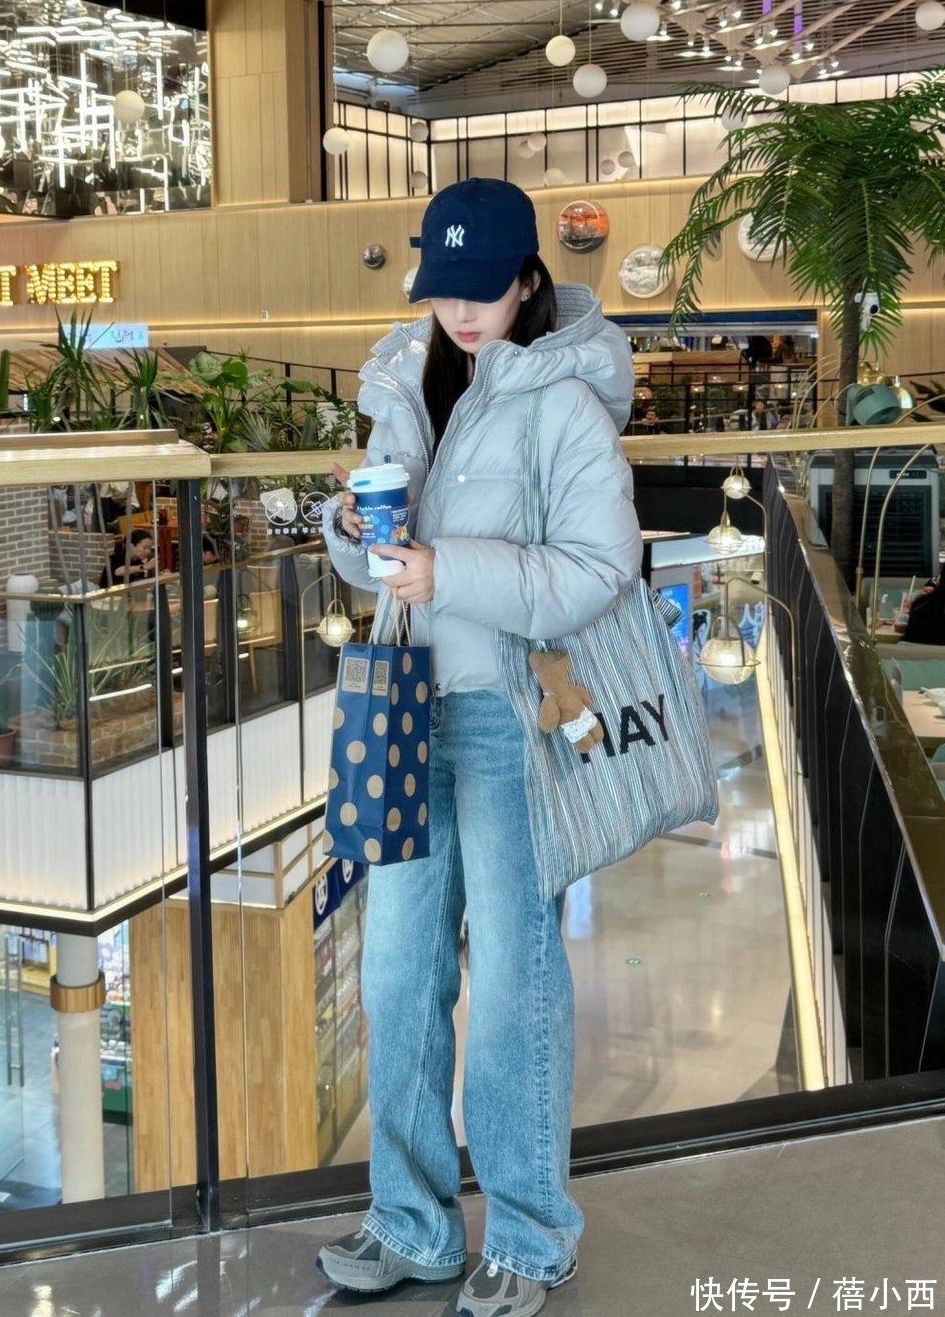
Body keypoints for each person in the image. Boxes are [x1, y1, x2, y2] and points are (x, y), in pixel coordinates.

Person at [317, 178, 641, 1317]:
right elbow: (375, 554)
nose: (461, 309)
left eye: (484, 288)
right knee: (398, 973)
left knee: (514, 980)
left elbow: (601, 571)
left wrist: (446, 570)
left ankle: (531, 1234)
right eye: (444, 287)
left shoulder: (567, 400)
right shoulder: (403, 380)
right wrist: (351, 531)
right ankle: (410, 1222)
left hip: (513, 716)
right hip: (408, 706)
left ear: (528, 279)